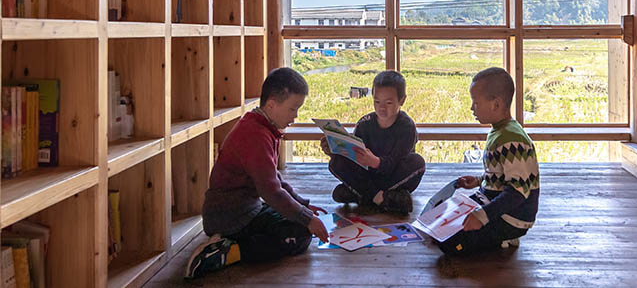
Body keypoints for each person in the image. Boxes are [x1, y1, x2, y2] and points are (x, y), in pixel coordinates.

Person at [184, 67, 329, 279]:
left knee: (299, 223)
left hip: (246, 209)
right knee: (298, 235)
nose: (295, 116)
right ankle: (228, 252)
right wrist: (307, 219)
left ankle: (228, 243)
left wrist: (303, 206)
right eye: (293, 109)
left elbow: (275, 180)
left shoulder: (261, 126)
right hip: (231, 217)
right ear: (271, 104)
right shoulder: (256, 135)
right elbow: (270, 191)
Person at [438, 67, 540, 256]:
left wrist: (482, 216)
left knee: (449, 242)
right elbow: (502, 175)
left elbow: (518, 192)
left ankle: (503, 235)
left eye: (475, 103)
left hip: (511, 216)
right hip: (492, 203)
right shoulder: (501, 131)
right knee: (442, 220)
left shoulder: (512, 139)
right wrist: (479, 181)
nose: (471, 108)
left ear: (496, 104)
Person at [323, 70, 425, 214]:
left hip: (394, 176)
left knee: (417, 162)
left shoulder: (407, 126)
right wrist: (335, 149)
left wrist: (375, 162)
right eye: (377, 102)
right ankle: (386, 198)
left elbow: (395, 162)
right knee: (335, 162)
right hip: (368, 175)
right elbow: (354, 156)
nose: (381, 108)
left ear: (402, 100)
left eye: (389, 102)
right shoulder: (365, 123)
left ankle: (361, 194)